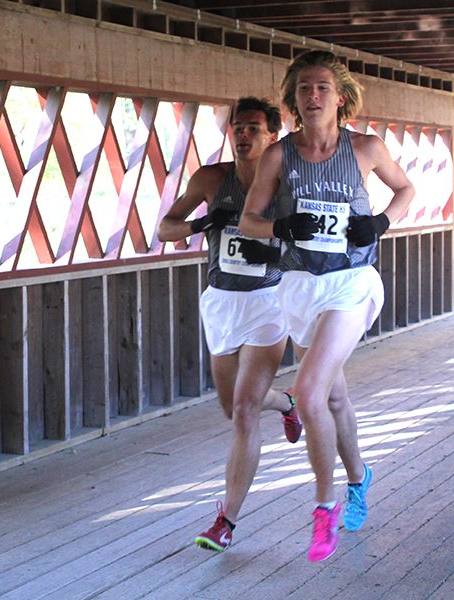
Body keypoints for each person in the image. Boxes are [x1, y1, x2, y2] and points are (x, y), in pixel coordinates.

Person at [239, 50, 414, 562]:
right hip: (300, 287)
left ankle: (324, 507)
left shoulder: (365, 149)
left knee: (310, 391)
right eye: (303, 89)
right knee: (334, 400)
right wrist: (280, 227)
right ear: (293, 99)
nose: (312, 97)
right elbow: (249, 219)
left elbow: (405, 189)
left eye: (322, 88)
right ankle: (360, 478)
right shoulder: (279, 156)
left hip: (351, 283)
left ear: (339, 98)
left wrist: (380, 222)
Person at [157, 97, 302, 553]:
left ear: (272, 135)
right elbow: (165, 228)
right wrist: (203, 223)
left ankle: (227, 520)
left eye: (254, 128)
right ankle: (285, 402)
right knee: (231, 406)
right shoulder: (211, 179)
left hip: (267, 301)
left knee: (243, 411)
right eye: (237, 127)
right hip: (220, 302)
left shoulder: (285, 185)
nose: (243, 135)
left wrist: (275, 251)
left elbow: (313, 244)